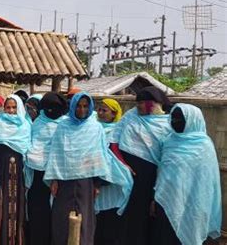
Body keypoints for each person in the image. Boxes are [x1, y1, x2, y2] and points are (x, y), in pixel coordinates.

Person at [44, 92, 110, 245]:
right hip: (64, 182)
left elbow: (99, 155)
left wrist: (97, 184)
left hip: (86, 183)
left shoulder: (95, 128)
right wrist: (54, 179)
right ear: (72, 107)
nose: (82, 110)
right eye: (78, 106)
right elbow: (56, 154)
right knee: (62, 220)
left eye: (85, 106)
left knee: (85, 219)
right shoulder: (63, 127)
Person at [151, 103, 221, 245]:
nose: (175, 123)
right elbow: (162, 172)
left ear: (193, 120)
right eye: (174, 119)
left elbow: (207, 181)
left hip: (195, 203)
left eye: (180, 120)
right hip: (166, 200)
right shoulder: (168, 141)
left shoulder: (204, 145)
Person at [109, 86, 172, 245]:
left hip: (150, 178)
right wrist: (123, 164)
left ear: (153, 104)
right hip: (126, 174)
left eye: (143, 103)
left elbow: (167, 155)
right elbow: (114, 141)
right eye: (138, 103)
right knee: (125, 214)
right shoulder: (131, 116)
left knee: (144, 215)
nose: (138, 106)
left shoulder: (167, 124)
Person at [0, 94, 31, 245]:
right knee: (0, 205)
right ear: (3, 108)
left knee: (16, 206)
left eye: (14, 107)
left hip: (18, 175)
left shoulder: (25, 126)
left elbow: (27, 152)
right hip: (0, 173)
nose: (11, 111)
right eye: (8, 107)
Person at [25, 92, 68, 245]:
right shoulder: (37, 123)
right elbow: (31, 145)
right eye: (48, 107)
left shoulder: (65, 124)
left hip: (58, 175)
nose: (51, 111)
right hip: (37, 174)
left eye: (55, 108)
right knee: (38, 213)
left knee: (56, 214)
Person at [94, 98, 134, 245]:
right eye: (99, 109)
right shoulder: (92, 128)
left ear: (114, 113)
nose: (100, 113)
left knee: (111, 222)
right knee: (96, 222)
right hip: (96, 182)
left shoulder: (120, 131)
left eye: (104, 110)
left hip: (114, 182)